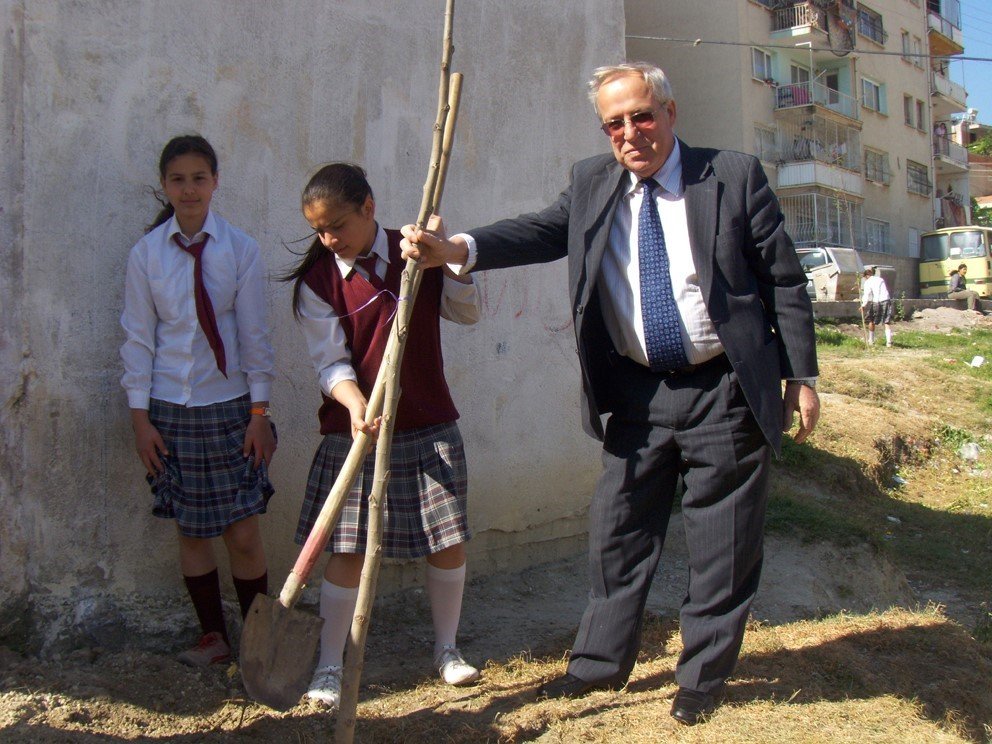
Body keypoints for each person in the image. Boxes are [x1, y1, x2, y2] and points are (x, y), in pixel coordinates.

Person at [402, 62, 820, 726]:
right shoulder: (592, 183)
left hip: (724, 388)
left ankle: (702, 679)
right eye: (615, 122)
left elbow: (784, 281)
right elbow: (540, 232)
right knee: (617, 533)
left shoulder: (733, 176)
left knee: (723, 543)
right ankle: (598, 667)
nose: (631, 133)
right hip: (636, 394)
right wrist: (455, 248)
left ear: (671, 112)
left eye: (642, 115)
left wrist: (801, 376)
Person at [283, 163, 482, 711]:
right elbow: (330, 365)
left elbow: (467, 314)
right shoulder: (317, 284)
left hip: (427, 418)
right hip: (357, 432)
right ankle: (329, 665)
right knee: (344, 549)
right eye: (319, 230)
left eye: (338, 225)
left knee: (446, 540)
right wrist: (353, 406)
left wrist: (452, 259)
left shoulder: (414, 251)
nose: (329, 239)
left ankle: (446, 650)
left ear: (369, 207)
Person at [120, 135, 277, 667]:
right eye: (178, 179)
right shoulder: (147, 255)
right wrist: (141, 420)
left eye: (199, 178)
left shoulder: (241, 250)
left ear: (215, 182)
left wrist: (260, 414)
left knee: (244, 530)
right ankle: (213, 636)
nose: (189, 189)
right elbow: (138, 339)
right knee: (191, 529)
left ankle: (258, 643)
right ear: (164, 186)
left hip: (231, 409)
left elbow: (255, 337)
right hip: (170, 409)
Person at [861, 267, 893, 346]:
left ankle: (871, 340)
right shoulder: (880, 279)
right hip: (886, 300)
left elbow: (866, 295)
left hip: (876, 301)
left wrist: (863, 305)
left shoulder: (868, 282)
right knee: (886, 321)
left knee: (871, 320)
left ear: (866, 275)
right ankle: (889, 342)